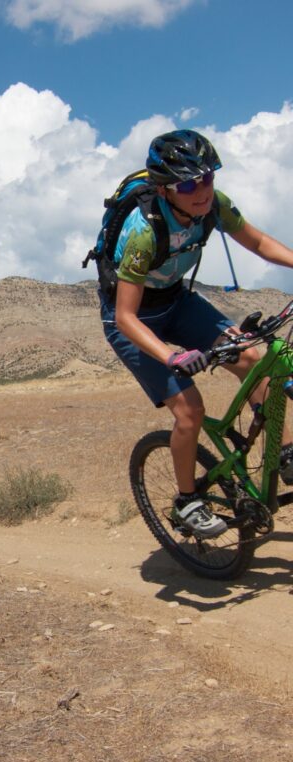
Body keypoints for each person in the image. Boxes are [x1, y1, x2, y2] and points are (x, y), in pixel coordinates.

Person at [99, 129, 293, 539]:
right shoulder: (143, 231)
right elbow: (125, 318)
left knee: (256, 361)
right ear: (166, 189)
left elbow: (257, 241)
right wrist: (172, 357)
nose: (201, 190)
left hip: (178, 302)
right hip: (136, 321)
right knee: (189, 408)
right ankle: (187, 500)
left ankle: (284, 451)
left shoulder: (212, 207)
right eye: (188, 183)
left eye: (208, 178)